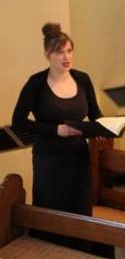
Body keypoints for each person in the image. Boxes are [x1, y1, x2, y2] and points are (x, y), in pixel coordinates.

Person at [12, 23, 104, 219]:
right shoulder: (36, 83)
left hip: (78, 157)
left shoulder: (82, 79)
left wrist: (105, 127)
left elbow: (95, 113)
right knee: (52, 214)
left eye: (70, 51)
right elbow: (18, 121)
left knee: (79, 211)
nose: (67, 57)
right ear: (47, 54)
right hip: (49, 159)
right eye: (60, 52)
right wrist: (55, 130)